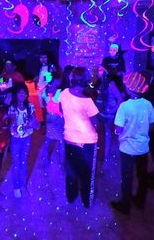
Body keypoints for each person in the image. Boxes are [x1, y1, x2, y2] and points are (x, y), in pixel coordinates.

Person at [110, 72, 154, 215]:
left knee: (127, 176)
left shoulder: (124, 106)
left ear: (129, 88)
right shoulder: (148, 104)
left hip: (127, 149)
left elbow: (118, 129)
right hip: (142, 148)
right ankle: (140, 201)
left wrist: (120, 133)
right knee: (142, 176)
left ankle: (125, 206)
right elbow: (152, 125)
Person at [58, 67, 99, 208]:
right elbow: (95, 123)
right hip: (87, 141)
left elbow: (60, 110)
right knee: (87, 172)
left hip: (69, 138)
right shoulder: (87, 101)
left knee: (71, 170)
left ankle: (70, 196)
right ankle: (86, 201)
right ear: (86, 80)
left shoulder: (63, 94)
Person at [8, 83, 40, 198]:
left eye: (25, 92)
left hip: (26, 138)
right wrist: (20, 126)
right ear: (16, 94)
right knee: (16, 163)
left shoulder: (30, 106)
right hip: (15, 139)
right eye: (20, 92)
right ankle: (16, 186)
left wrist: (34, 124)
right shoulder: (12, 108)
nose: (23, 94)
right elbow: (12, 123)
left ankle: (22, 185)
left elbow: (35, 122)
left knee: (23, 162)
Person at [94, 65, 123, 160]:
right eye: (98, 70)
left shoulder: (111, 84)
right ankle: (102, 152)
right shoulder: (98, 83)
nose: (99, 71)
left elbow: (120, 99)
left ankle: (106, 155)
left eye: (101, 70)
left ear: (106, 72)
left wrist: (113, 109)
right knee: (102, 132)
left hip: (109, 113)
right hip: (100, 112)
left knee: (107, 132)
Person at [41, 74, 64, 166]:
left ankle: (46, 160)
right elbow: (62, 108)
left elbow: (44, 104)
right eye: (57, 80)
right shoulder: (59, 92)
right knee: (61, 140)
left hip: (49, 117)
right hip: (57, 118)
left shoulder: (44, 91)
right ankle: (62, 162)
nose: (59, 82)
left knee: (48, 139)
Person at [34, 52, 56, 124]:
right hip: (40, 89)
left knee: (49, 106)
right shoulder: (38, 67)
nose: (43, 59)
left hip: (48, 89)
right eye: (41, 58)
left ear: (48, 58)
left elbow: (54, 78)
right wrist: (35, 81)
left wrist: (48, 86)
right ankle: (44, 122)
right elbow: (37, 79)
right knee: (42, 107)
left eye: (45, 57)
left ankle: (50, 122)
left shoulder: (51, 66)